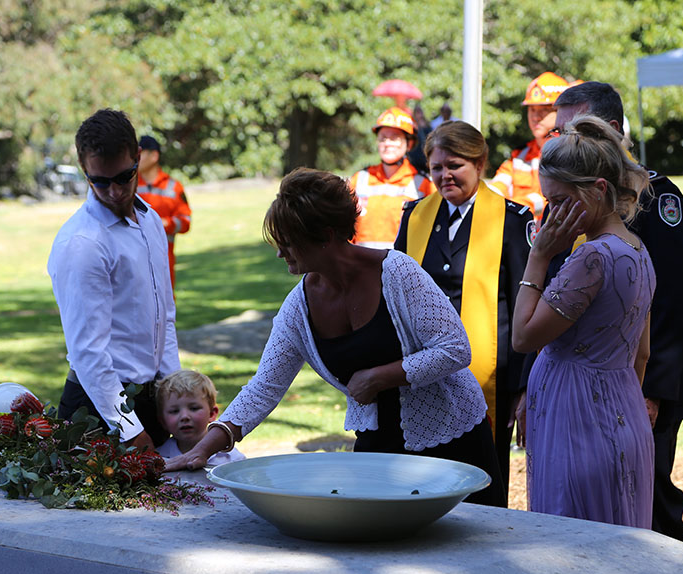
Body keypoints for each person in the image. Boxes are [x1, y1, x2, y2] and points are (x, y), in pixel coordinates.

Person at [162, 168, 505, 506]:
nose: (280, 253)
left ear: (325, 236)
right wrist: (204, 448)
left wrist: (379, 377)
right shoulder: (300, 307)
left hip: (454, 436)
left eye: (287, 242)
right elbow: (264, 387)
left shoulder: (398, 273)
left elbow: (455, 348)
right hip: (378, 443)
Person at [520, 81, 683, 543]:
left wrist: (653, 392)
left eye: (573, 132)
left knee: (628, 519)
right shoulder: (627, 243)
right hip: (613, 389)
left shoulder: (620, 232)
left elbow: (675, 306)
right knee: (624, 520)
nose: (564, 141)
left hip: (603, 399)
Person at [511, 114, 656, 528]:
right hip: (620, 405)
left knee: (570, 538)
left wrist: (538, 256)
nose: (549, 214)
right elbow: (641, 352)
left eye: (558, 201)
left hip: (575, 417)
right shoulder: (637, 249)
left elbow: (523, 336)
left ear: (598, 190)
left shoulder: (591, 257)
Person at [395, 120, 534, 507]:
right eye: (436, 167)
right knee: (427, 470)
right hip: (424, 371)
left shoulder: (513, 220)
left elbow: (525, 305)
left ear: (480, 163)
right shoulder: (416, 216)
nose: (444, 175)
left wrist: (523, 386)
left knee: (484, 477)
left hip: (490, 373)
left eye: (454, 165)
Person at [48, 109, 180, 452]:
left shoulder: (150, 220)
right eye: (100, 181)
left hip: (152, 400)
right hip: (98, 410)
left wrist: (174, 392)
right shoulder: (83, 243)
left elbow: (163, 314)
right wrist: (130, 430)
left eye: (125, 176)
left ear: (138, 158)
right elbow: (88, 352)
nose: (115, 191)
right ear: (84, 169)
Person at [349, 107, 434, 249]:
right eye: (383, 138)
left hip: (403, 268)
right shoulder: (359, 180)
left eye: (394, 138)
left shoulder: (423, 184)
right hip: (360, 267)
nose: (387, 144)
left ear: (409, 143)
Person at [491, 72, 571, 221]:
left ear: (562, 112)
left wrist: (510, 209)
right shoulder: (520, 155)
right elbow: (497, 186)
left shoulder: (572, 153)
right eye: (532, 109)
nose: (535, 116)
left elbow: (551, 198)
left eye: (544, 109)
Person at [155, 369, 245, 466]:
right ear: (162, 421)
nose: (184, 417)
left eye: (194, 408)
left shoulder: (232, 460)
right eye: (174, 411)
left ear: (212, 414)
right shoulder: (159, 459)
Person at [136, 135, 192, 290]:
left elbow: (186, 222)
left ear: (154, 156)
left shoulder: (174, 187)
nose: (135, 158)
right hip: (134, 263)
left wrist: (165, 223)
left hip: (164, 264)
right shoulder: (128, 186)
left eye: (140, 154)